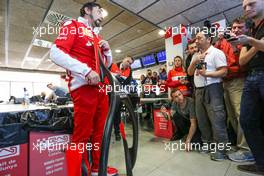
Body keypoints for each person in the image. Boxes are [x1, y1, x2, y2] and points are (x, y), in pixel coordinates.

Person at [50, 2, 118, 176]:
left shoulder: (96, 36)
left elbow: (106, 66)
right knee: (81, 136)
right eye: (99, 11)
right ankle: (75, 173)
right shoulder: (72, 26)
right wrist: (85, 70)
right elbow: (55, 52)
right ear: (87, 10)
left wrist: (108, 52)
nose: (102, 15)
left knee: (100, 133)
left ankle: (97, 168)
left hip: (102, 90)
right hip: (84, 89)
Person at [215, 17, 254, 162]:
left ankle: (247, 149)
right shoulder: (225, 41)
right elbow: (217, 57)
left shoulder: (245, 41)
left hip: (238, 81)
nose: (236, 30)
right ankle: (240, 146)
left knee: (241, 115)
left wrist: (235, 44)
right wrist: (219, 41)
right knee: (232, 116)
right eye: (234, 27)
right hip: (225, 82)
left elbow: (241, 62)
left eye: (240, 27)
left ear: (247, 29)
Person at [188, 30, 229, 161]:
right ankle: (208, 143)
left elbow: (224, 71)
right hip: (198, 90)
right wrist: (194, 62)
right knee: (202, 120)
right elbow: (189, 72)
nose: (196, 41)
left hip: (213, 88)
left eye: (199, 38)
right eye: (196, 39)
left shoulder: (216, 53)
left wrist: (207, 74)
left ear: (209, 39)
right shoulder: (196, 55)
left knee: (217, 119)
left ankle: (221, 150)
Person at [233, 0, 264, 174]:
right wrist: (257, 44)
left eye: (251, 3)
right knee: (247, 120)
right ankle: (261, 163)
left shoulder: (248, 36)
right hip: (251, 78)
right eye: (244, 6)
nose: (247, 8)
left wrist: (251, 42)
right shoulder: (251, 30)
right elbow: (242, 61)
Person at [110, 56, 134, 141]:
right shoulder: (113, 65)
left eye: (130, 63)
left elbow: (127, 82)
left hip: (119, 94)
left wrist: (116, 77)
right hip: (109, 93)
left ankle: (117, 132)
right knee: (107, 113)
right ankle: (106, 132)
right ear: (123, 59)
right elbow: (107, 77)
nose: (128, 64)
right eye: (127, 61)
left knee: (117, 114)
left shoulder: (129, 71)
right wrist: (119, 79)